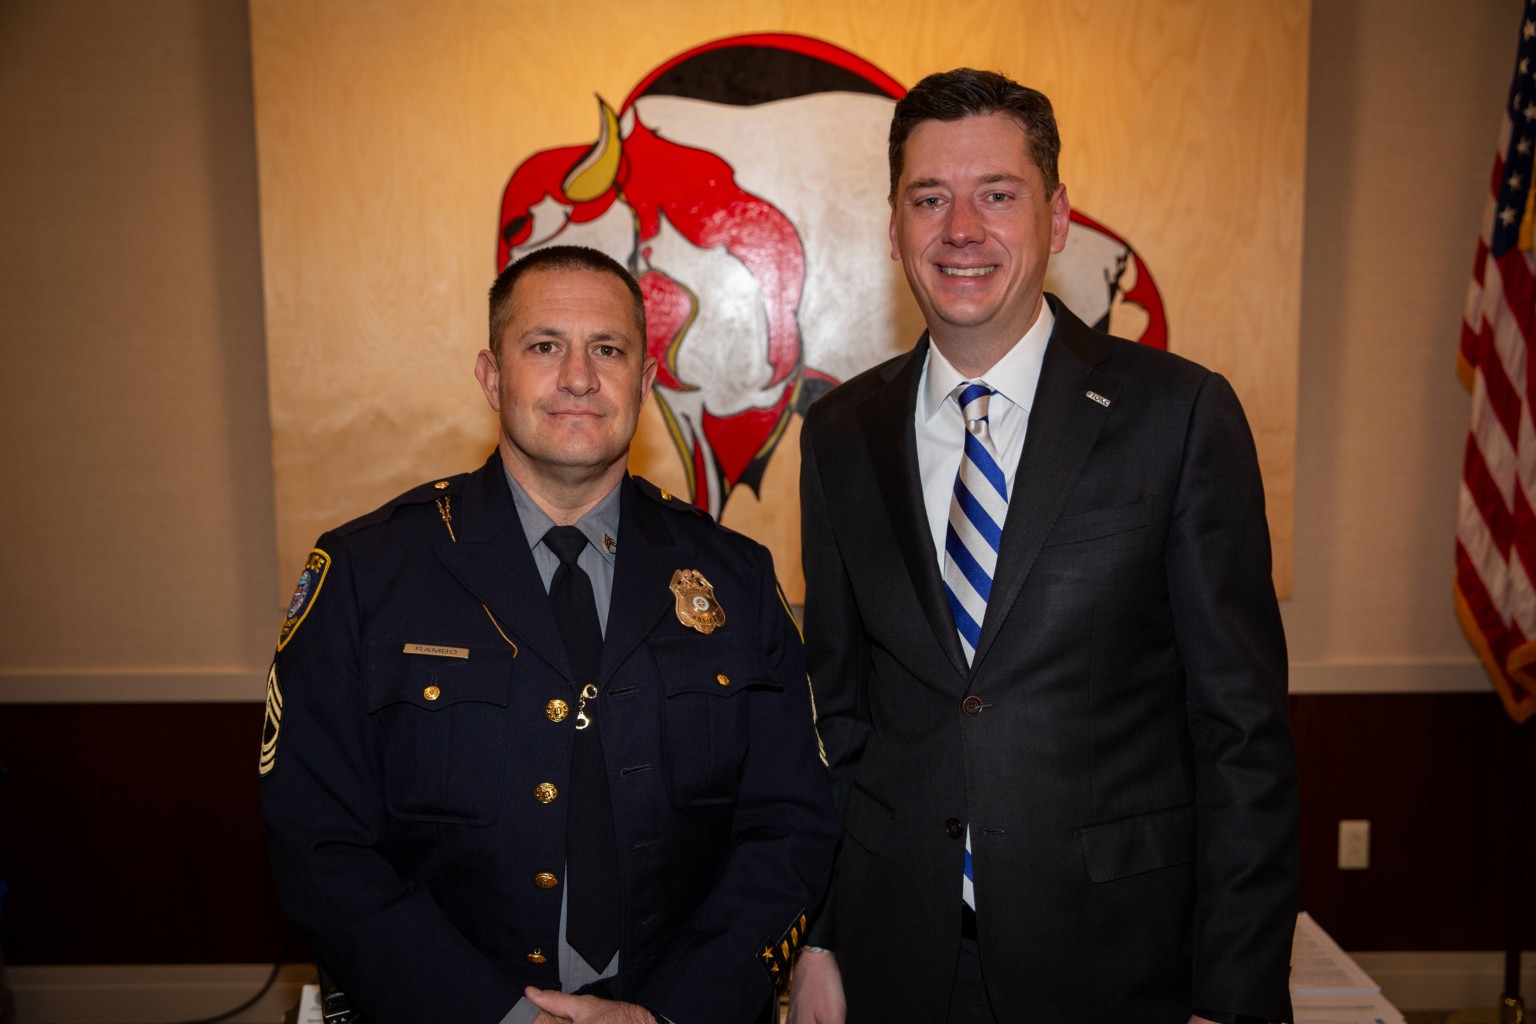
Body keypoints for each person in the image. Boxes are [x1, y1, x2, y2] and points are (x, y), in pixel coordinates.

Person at [789, 69, 1298, 1024]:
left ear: (1058, 218)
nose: (962, 229)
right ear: (894, 226)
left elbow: (1243, 739)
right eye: (929, 198)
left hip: (1123, 964)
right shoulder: (840, 435)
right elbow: (840, 719)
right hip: (900, 963)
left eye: (998, 195)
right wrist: (819, 935)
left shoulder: (1179, 415)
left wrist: (1231, 995)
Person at [259, 245, 837, 1024]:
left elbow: (789, 824)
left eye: (609, 350)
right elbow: (319, 845)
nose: (578, 377)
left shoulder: (732, 577)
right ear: (492, 378)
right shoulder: (368, 575)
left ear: (646, 379)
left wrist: (673, 1014)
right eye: (544, 347)